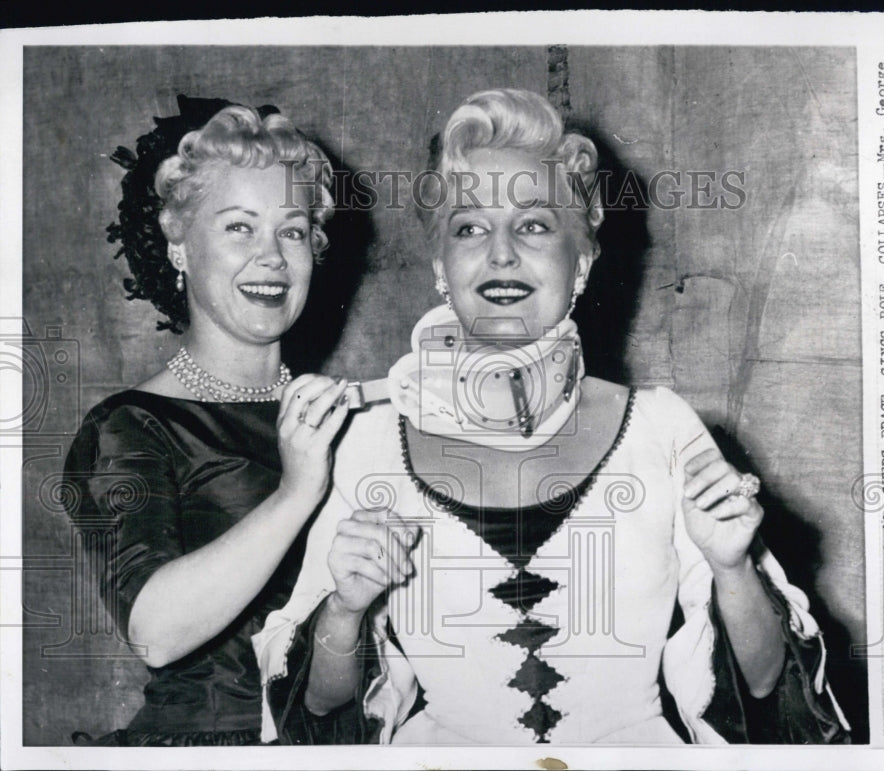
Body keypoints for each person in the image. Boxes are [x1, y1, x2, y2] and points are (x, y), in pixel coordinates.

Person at [254, 88, 851, 745]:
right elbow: (315, 713)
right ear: (440, 267)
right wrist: (345, 607)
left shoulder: (663, 427)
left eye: (534, 224)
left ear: (585, 260)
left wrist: (734, 568)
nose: (501, 252)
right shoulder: (367, 441)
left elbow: (766, 689)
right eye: (470, 227)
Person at [63, 100, 351, 745]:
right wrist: (296, 491)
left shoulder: (348, 414)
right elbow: (156, 634)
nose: (273, 256)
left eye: (294, 230)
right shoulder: (130, 428)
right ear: (178, 245)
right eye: (239, 228)